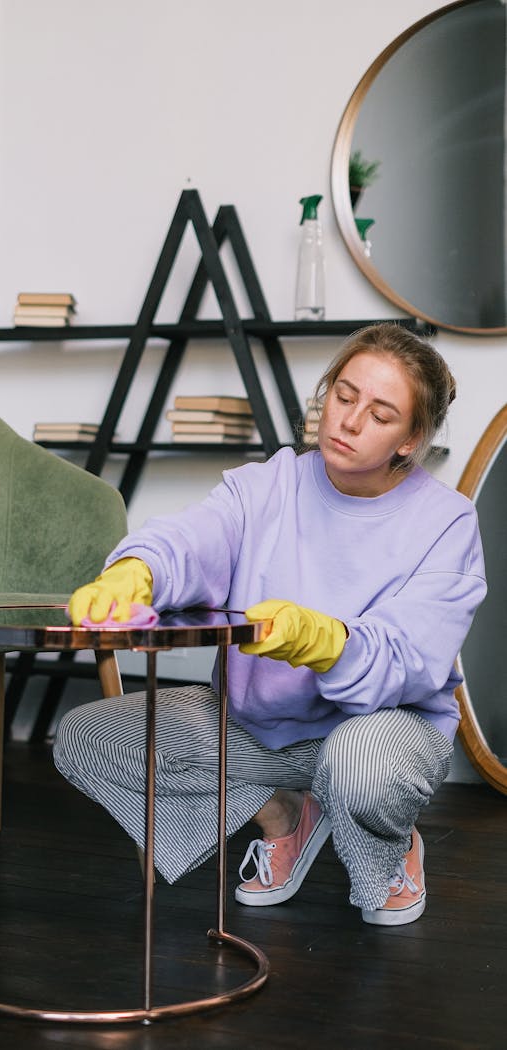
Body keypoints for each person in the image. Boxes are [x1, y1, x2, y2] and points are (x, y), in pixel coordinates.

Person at [53, 322, 486, 926]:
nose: (350, 421)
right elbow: (192, 538)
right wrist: (137, 570)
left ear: (410, 439)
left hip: (381, 732)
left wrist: (325, 641)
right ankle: (285, 813)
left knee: (359, 767)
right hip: (260, 730)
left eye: (381, 414)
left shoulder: (447, 521)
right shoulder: (266, 485)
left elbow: (413, 658)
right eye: (344, 395)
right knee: (88, 738)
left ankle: (388, 854)